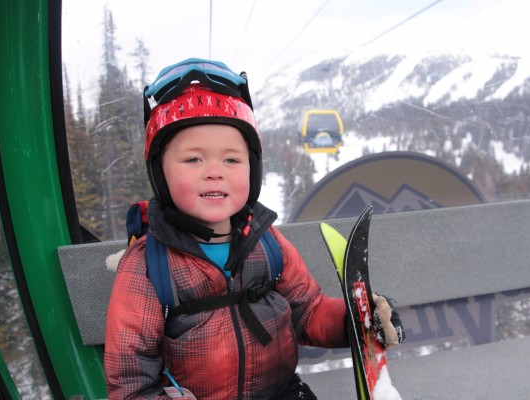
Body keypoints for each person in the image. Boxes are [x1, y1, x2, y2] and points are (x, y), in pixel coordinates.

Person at [104, 58, 403, 399]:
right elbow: (130, 379)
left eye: (231, 159)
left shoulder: (266, 242)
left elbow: (307, 311)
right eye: (193, 159)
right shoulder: (148, 267)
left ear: (253, 169)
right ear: (161, 174)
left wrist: (357, 322)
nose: (214, 171)